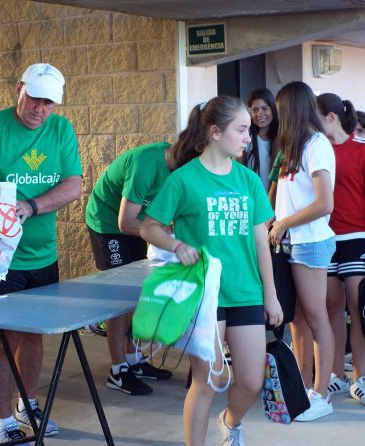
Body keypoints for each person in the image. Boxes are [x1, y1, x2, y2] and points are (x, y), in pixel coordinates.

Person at [0, 63, 82, 444]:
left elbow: (73, 185)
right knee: (3, 338)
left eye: (49, 103)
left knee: (35, 335)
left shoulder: (61, 129)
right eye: (35, 98)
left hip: (43, 254)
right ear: (19, 89)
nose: (41, 108)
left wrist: (32, 206)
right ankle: (3, 422)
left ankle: (29, 403)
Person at [140, 96, 283, 446]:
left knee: (251, 381)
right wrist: (176, 245)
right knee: (208, 380)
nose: (248, 137)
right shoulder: (184, 180)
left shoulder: (249, 181)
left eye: (249, 130)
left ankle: (231, 423)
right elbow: (149, 226)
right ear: (216, 132)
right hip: (205, 294)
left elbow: (261, 242)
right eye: (241, 130)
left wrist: (272, 295)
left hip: (246, 290)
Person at [268, 81, 336, 421]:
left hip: (309, 243)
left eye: (281, 109)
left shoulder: (317, 146)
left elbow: (325, 204)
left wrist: (283, 224)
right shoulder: (295, 147)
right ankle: (303, 388)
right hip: (292, 242)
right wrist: (276, 223)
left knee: (316, 317)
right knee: (297, 319)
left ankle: (321, 395)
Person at [85, 142, 174, 396]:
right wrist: (165, 234)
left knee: (138, 292)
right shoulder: (145, 164)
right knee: (120, 297)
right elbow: (125, 222)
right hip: (109, 222)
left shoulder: (183, 170)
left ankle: (134, 360)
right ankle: (118, 369)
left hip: (141, 221)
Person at [316, 93, 365, 405]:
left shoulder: (360, 149)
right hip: (325, 239)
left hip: (358, 237)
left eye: (315, 117)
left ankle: (361, 377)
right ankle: (336, 375)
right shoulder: (318, 151)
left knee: (358, 310)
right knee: (332, 307)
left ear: (329, 117)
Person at [241, 88, 279, 191]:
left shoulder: (281, 136)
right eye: (255, 110)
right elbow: (239, 170)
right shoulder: (246, 136)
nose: (259, 114)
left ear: (273, 109)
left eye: (265, 108)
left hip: (276, 199)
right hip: (252, 197)